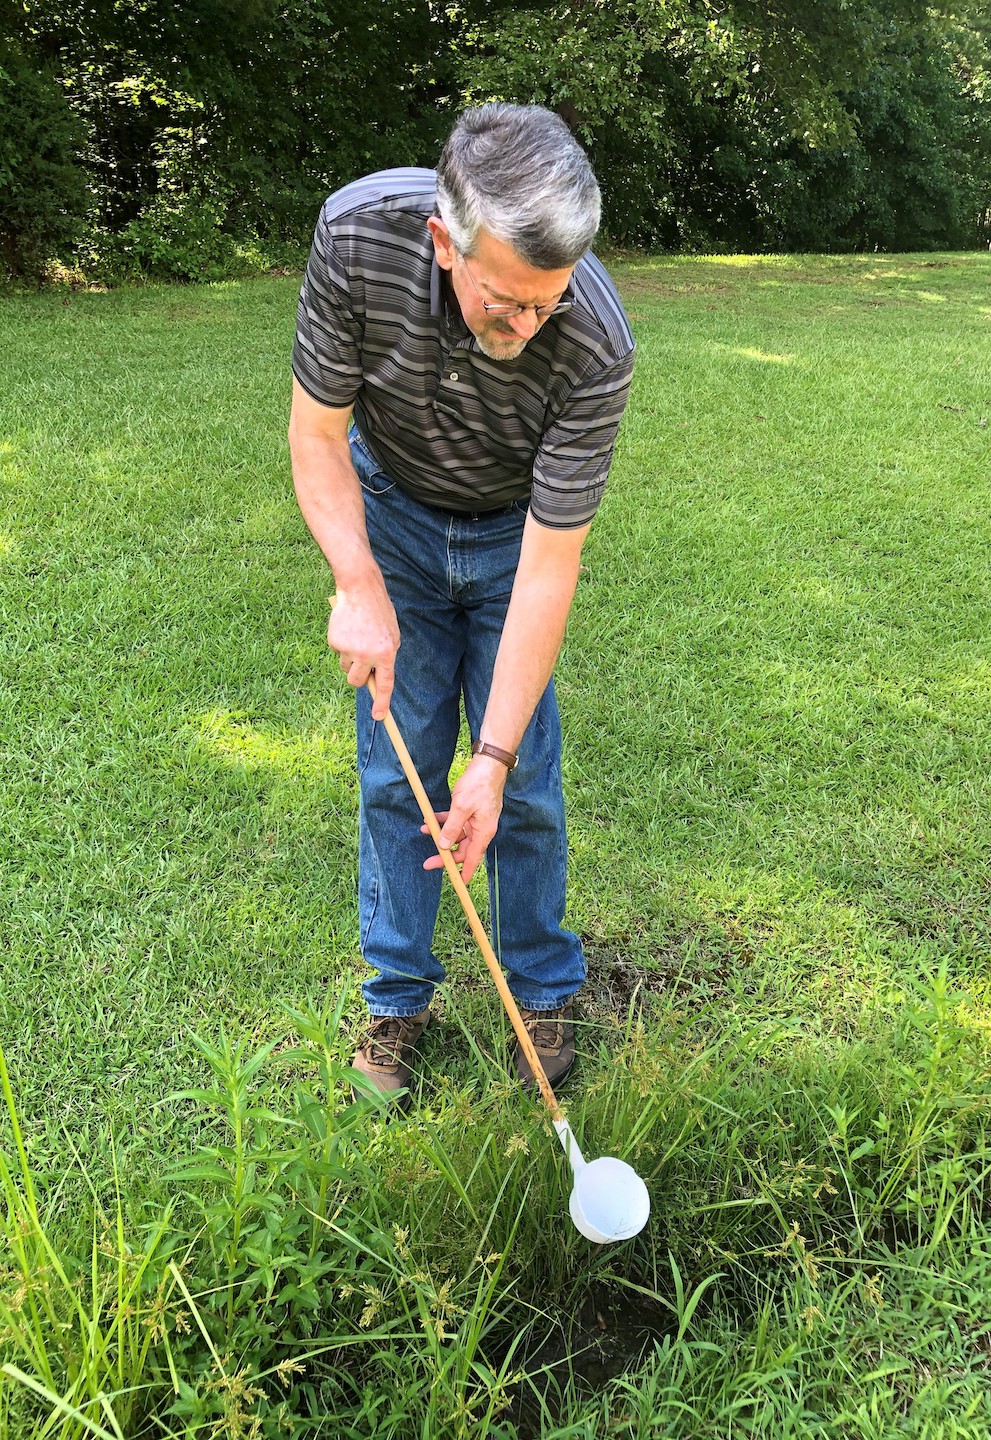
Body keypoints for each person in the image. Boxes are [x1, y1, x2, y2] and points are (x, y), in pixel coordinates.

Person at [288, 103, 635, 1109]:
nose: (528, 329)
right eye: (506, 301)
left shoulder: (596, 345)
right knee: (395, 770)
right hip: (390, 515)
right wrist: (359, 586)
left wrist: (487, 759)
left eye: (549, 304)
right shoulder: (357, 239)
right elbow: (318, 436)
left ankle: (543, 992)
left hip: (513, 533)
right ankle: (398, 999)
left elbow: (551, 567)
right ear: (446, 243)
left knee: (519, 779)